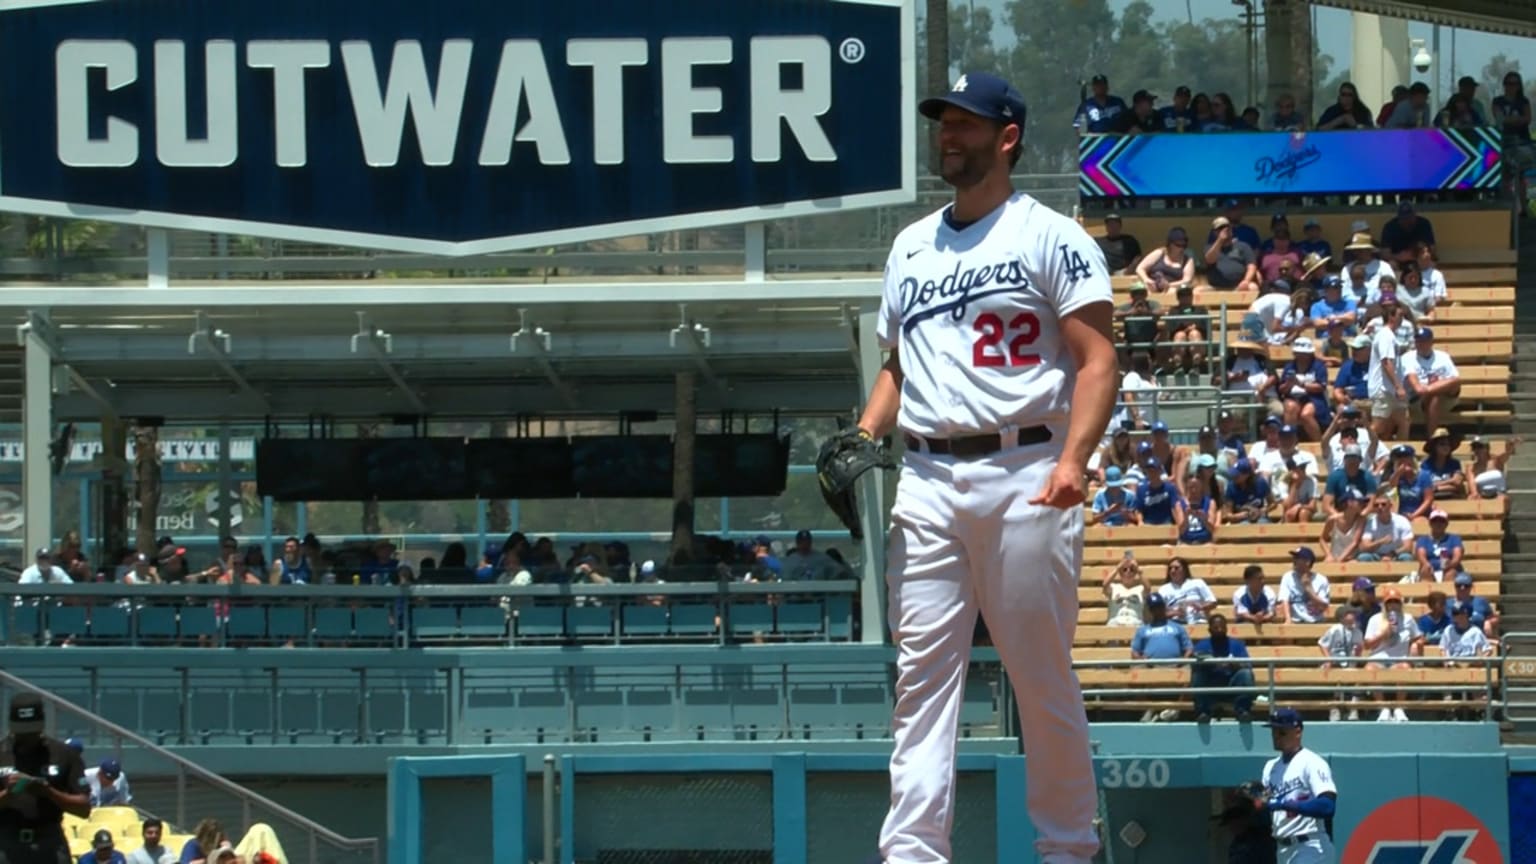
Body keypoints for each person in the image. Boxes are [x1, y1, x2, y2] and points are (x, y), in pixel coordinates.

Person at [858, 71, 1113, 864]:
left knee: (1039, 678)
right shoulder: (910, 246)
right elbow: (901, 363)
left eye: (966, 123)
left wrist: (1076, 458)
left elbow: (1099, 359)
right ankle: (912, 853)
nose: (949, 135)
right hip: (928, 476)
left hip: (1026, 465)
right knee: (920, 680)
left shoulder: (1049, 233)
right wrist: (865, 432)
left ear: (1007, 137)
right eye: (943, 122)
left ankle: (1068, 848)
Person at [0, 693, 91, 864]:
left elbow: (84, 808)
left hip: (49, 842)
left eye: (31, 732)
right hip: (6, 842)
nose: (27, 738)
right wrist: (9, 794)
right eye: (21, 733)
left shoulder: (63, 754)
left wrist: (48, 792)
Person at [1257, 708, 1338, 864]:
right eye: (1273, 731)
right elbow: (1265, 805)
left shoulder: (1312, 762)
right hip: (1282, 848)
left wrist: (1284, 804)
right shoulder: (1270, 767)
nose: (1276, 736)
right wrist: (1254, 800)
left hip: (1311, 846)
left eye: (1282, 731)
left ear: (1298, 731)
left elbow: (1328, 806)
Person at [1191, 614, 1255, 723]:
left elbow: (1247, 665)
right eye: (1216, 628)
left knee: (1246, 674)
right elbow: (1194, 666)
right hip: (1210, 687)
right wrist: (1210, 663)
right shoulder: (1202, 645)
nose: (1220, 630)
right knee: (1198, 675)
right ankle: (1203, 712)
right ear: (1209, 629)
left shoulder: (1237, 644)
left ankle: (1243, 711)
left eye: (1222, 627)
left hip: (1231, 685)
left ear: (1226, 628)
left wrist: (1235, 665)